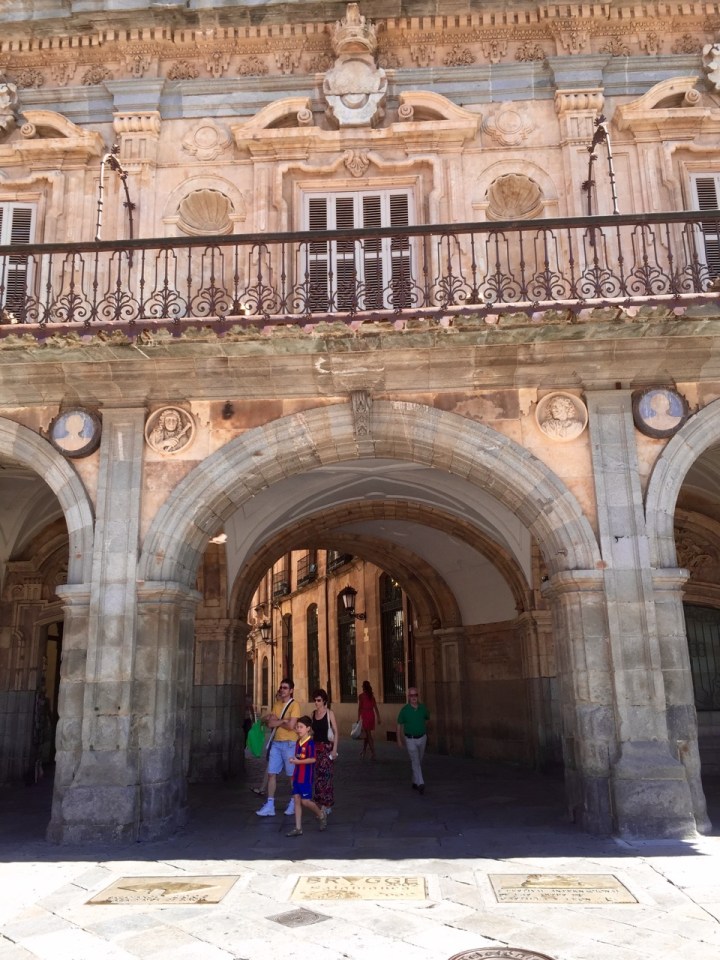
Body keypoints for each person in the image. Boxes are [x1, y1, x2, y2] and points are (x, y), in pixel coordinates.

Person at [255, 678, 301, 817]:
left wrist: (278, 722)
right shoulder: (276, 704)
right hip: (276, 743)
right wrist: (283, 721)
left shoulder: (295, 705)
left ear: (291, 690)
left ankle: (293, 802)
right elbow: (270, 724)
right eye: (281, 687)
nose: (282, 690)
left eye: (285, 688)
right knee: (271, 773)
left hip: (290, 744)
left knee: (292, 776)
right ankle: (270, 804)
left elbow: (291, 726)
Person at [286, 716, 328, 838]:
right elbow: (298, 756)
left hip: (305, 777)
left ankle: (320, 814)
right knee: (296, 800)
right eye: (297, 727)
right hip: (297, 775)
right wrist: (294, 759)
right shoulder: (298, 742)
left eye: (301, 727)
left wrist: (298, 762)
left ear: (308, 728)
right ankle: (298, 828)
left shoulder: (310, 743)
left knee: (305, 801)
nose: (298, 729)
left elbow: (313, 759)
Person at [396, 687, 430, 794]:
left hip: (422, 738)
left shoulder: (423, 708)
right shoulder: (404, 710)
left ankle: (415, 781)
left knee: (419, 759)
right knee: (415, 760)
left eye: (415, 695)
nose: (414, 697)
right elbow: (399, 725)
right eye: (411, 695)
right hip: (410, 739)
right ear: (408, 697)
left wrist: (423, 730)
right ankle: (420, 783)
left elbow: (427, 718)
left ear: (418, 696)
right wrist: (399, 739)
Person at [311, 688, 338, 816]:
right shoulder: (313, 714)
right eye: (315, 700)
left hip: (326, 749)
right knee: (318, 777)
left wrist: (334, 749)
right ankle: (319, 802)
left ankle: (327, 804)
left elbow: (336, 732)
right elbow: (312, 732)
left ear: (324, 701)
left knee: (326, 776)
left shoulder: (329, 713)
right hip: (315, 749)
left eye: (318, 700)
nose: (316, 702)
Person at [358, 679, 381, 760]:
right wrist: (378, 717)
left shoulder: (361, 696)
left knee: (368, 735)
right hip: (371, 715)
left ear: (363, 687)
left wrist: (358, 718)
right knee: (367, 735)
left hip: (365, 716)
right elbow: (376, 708)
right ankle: (364, 750)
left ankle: (373, 753)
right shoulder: (371, 696)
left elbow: (360, 708)